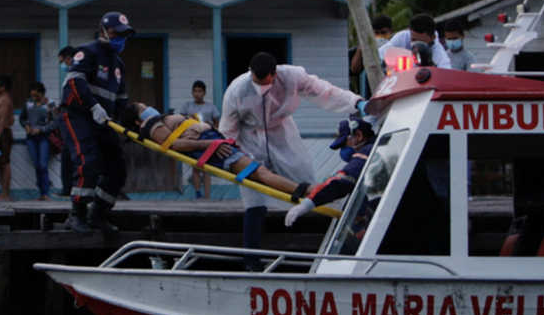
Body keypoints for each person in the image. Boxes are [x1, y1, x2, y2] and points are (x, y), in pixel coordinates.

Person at [220, 52, 365, 270]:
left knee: (304, 179)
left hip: (282, 133)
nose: (262, 88)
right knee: (253, 196)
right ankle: (251, 260)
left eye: (266, 83)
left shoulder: (292, 77)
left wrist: (356, 103)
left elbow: (325, 92)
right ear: (250, 73)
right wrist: (231, 154)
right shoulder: (237, 89)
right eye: (257, 83)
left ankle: (323, 245)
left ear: (275, 75)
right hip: (249, 139)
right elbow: (228, 128)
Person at [118, 102, 305, 195]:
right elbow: (174, 145)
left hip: (212, 141)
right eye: (143, 109)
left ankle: (303, 191)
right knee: (261, 173)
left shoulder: (157, 122)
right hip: (212, 146)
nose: (149, 108)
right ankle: (306, 191)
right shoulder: (151, 126)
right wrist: (211, 144)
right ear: (137, 121)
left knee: (260, 174)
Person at [60, 11, 133, 234]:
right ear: (103, 32)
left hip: (104, 121)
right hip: (78, 116)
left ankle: (97, 213)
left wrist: (131, 122)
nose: (120, 38)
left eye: (124, 34)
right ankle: (77, 214)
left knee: (117, 169)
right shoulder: (87, 52)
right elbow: (75, 83)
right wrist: (93, 106)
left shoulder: (118, 64)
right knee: (88, 161)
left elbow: (121, 101)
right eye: (116, 33)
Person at [285, 116, 376, 227]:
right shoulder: (377, 147)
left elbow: (342, 182)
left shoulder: (367, 152)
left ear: (358, 136)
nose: (343, 150)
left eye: (344, 144)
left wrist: (306, 205)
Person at [177, 80, 220, 199]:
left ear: (204, 93)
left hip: (207, 137)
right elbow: (180, 120)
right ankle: (198, 193)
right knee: (196, 165)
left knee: (206, 166)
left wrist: (209, 124)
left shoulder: (210, 107)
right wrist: (189, 118)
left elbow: (217, 124)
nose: (197, 93)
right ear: (192, 93)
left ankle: (207, 194)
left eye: (200, 91)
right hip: (193, 138)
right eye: (195, 91)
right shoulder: (188, 106)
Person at [20, 81, 57, 201]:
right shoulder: (29, 103)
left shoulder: (49, 103)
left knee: (43, 164)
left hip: (43, 136)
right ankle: (41, 193)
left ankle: (46, 192)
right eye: (33, 95)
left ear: (42, 93)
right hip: (30, 136)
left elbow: (56, 121)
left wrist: (42, 129)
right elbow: (22, 118)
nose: (34, 98)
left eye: (37, 95)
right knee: (37, 164)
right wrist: (26, 126)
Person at [378, 13, 452, 69]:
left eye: (422, 41)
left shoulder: (438, 53)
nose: (416, 44)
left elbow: (446, 72)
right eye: (413, 40)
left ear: (433, 37)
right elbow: (379, 53)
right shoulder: (402, 38)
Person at [55, 45, 76, 197]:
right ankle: (68, 187)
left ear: (69, 59)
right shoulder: (70, 75)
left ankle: (70, 187)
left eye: (62, 61)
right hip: (68, 116)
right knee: (67, 153)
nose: (62, 65)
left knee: (71, 153)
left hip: (75, 118)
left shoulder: (77, 74)